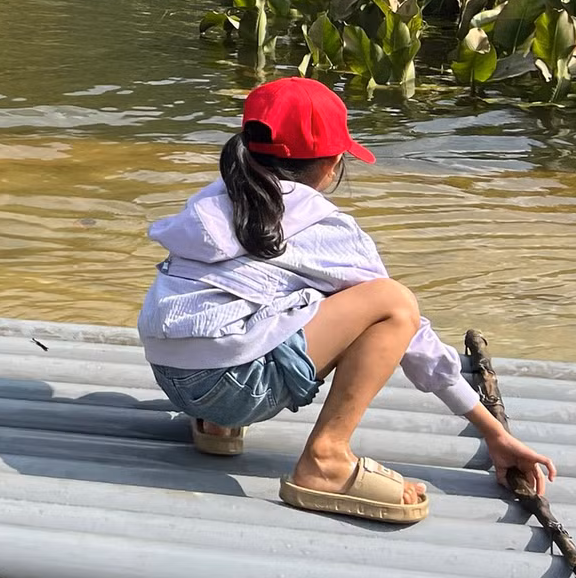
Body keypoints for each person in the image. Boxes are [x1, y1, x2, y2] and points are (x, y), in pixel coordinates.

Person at [139, 76, 554, 524]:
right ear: (332, 164)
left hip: (172, 377)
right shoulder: (326, 227)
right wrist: (492, 430)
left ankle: (216, 426)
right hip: (232, 388)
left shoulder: (210, 202)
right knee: (392, 301)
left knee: (254, 294)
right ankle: (326, 460)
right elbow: (409, 331)